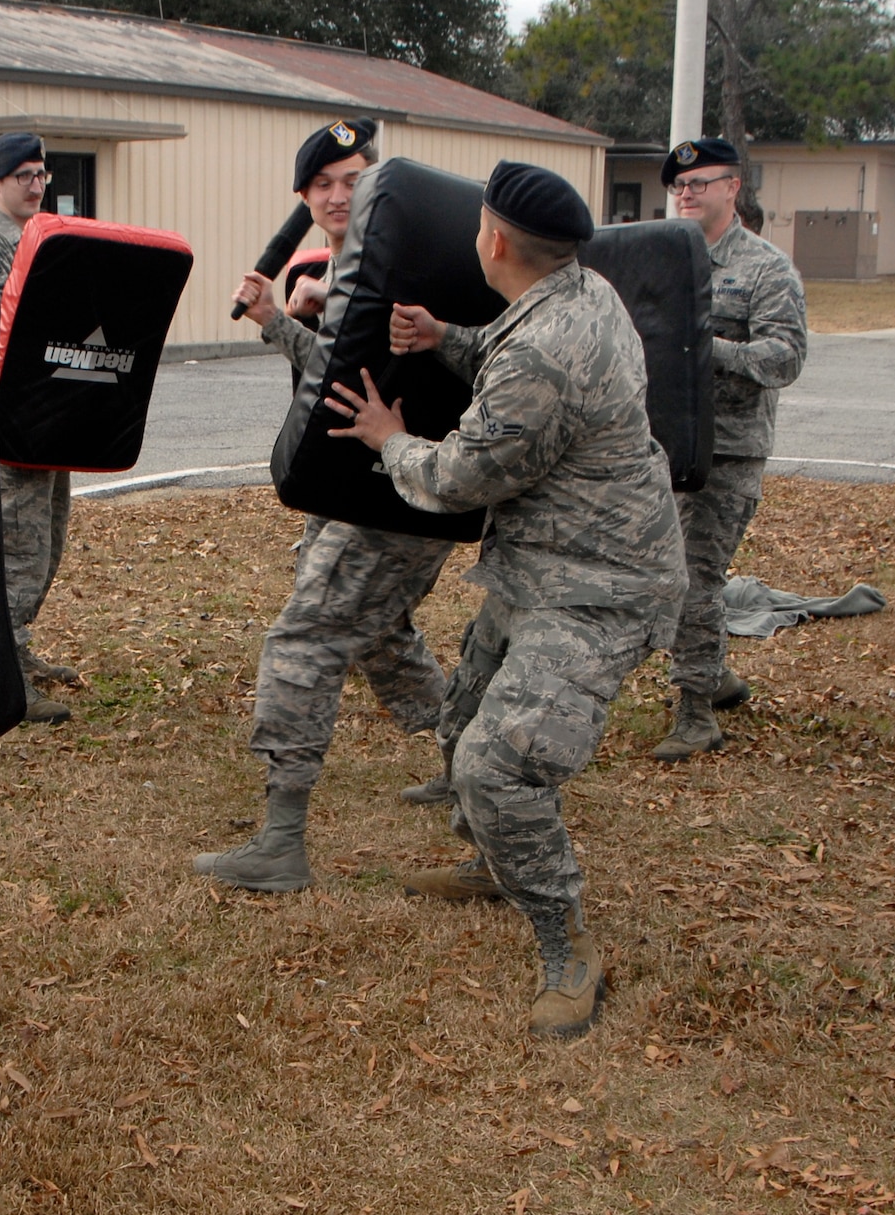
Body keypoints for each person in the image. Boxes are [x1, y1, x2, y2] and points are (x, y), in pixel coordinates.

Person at [328, 161, 686, 1039]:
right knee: (461, 724)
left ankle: (567, 945)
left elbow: (458, 477)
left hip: (600, 587)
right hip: (543, 567)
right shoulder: (576, 293)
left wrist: (389, 439)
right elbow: (507, 357)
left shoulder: (542, 350)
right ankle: (497, 862)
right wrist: (445, 334)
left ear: (492, 241)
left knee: (499, 764)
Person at [191, 119, 455, 893]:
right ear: (305, 198)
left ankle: (281, 843)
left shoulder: (400, 261)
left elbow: (360, 386)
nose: (341, 194)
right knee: (379, 634)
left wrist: (287, 320)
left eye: (355, 178)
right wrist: (290, 319)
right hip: (354, 486)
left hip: (395, 488)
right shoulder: (348, 268)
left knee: (304, 641)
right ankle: (463, 760)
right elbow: (336, 381)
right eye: (324, 185)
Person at [651, 138, 807, 761]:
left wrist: (703, 348)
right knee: (671, 572)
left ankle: (694, 712)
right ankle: (713, 677)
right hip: (664, 442)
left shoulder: (767, 268)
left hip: (729, 450)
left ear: (732, 187)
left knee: (695, 577)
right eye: (679, 187)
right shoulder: (664, 258)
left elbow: (786, 357)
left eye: (700, 183)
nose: (686, 194)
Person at [0, 131, 75, 725]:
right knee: (19, 552)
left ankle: (19, 651)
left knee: (47, 541)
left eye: (40, 174)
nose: (34, 185)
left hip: (48, 417)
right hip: (10, 423)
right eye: (22, 176)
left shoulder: (46, 237)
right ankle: (3, 680)